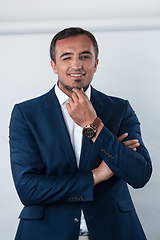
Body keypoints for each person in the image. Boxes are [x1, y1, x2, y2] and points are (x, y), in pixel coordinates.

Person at [9, 27, 152, 240]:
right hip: (46, 232)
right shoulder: (26, 113)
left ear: (95, 63)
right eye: (67, 57)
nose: (76, 65)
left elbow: (139, 174)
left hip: (115, 231)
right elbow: (29, 189)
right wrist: (98, 175)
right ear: (54, 65)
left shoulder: (119, 109)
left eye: (85, 56)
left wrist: (93, 125)